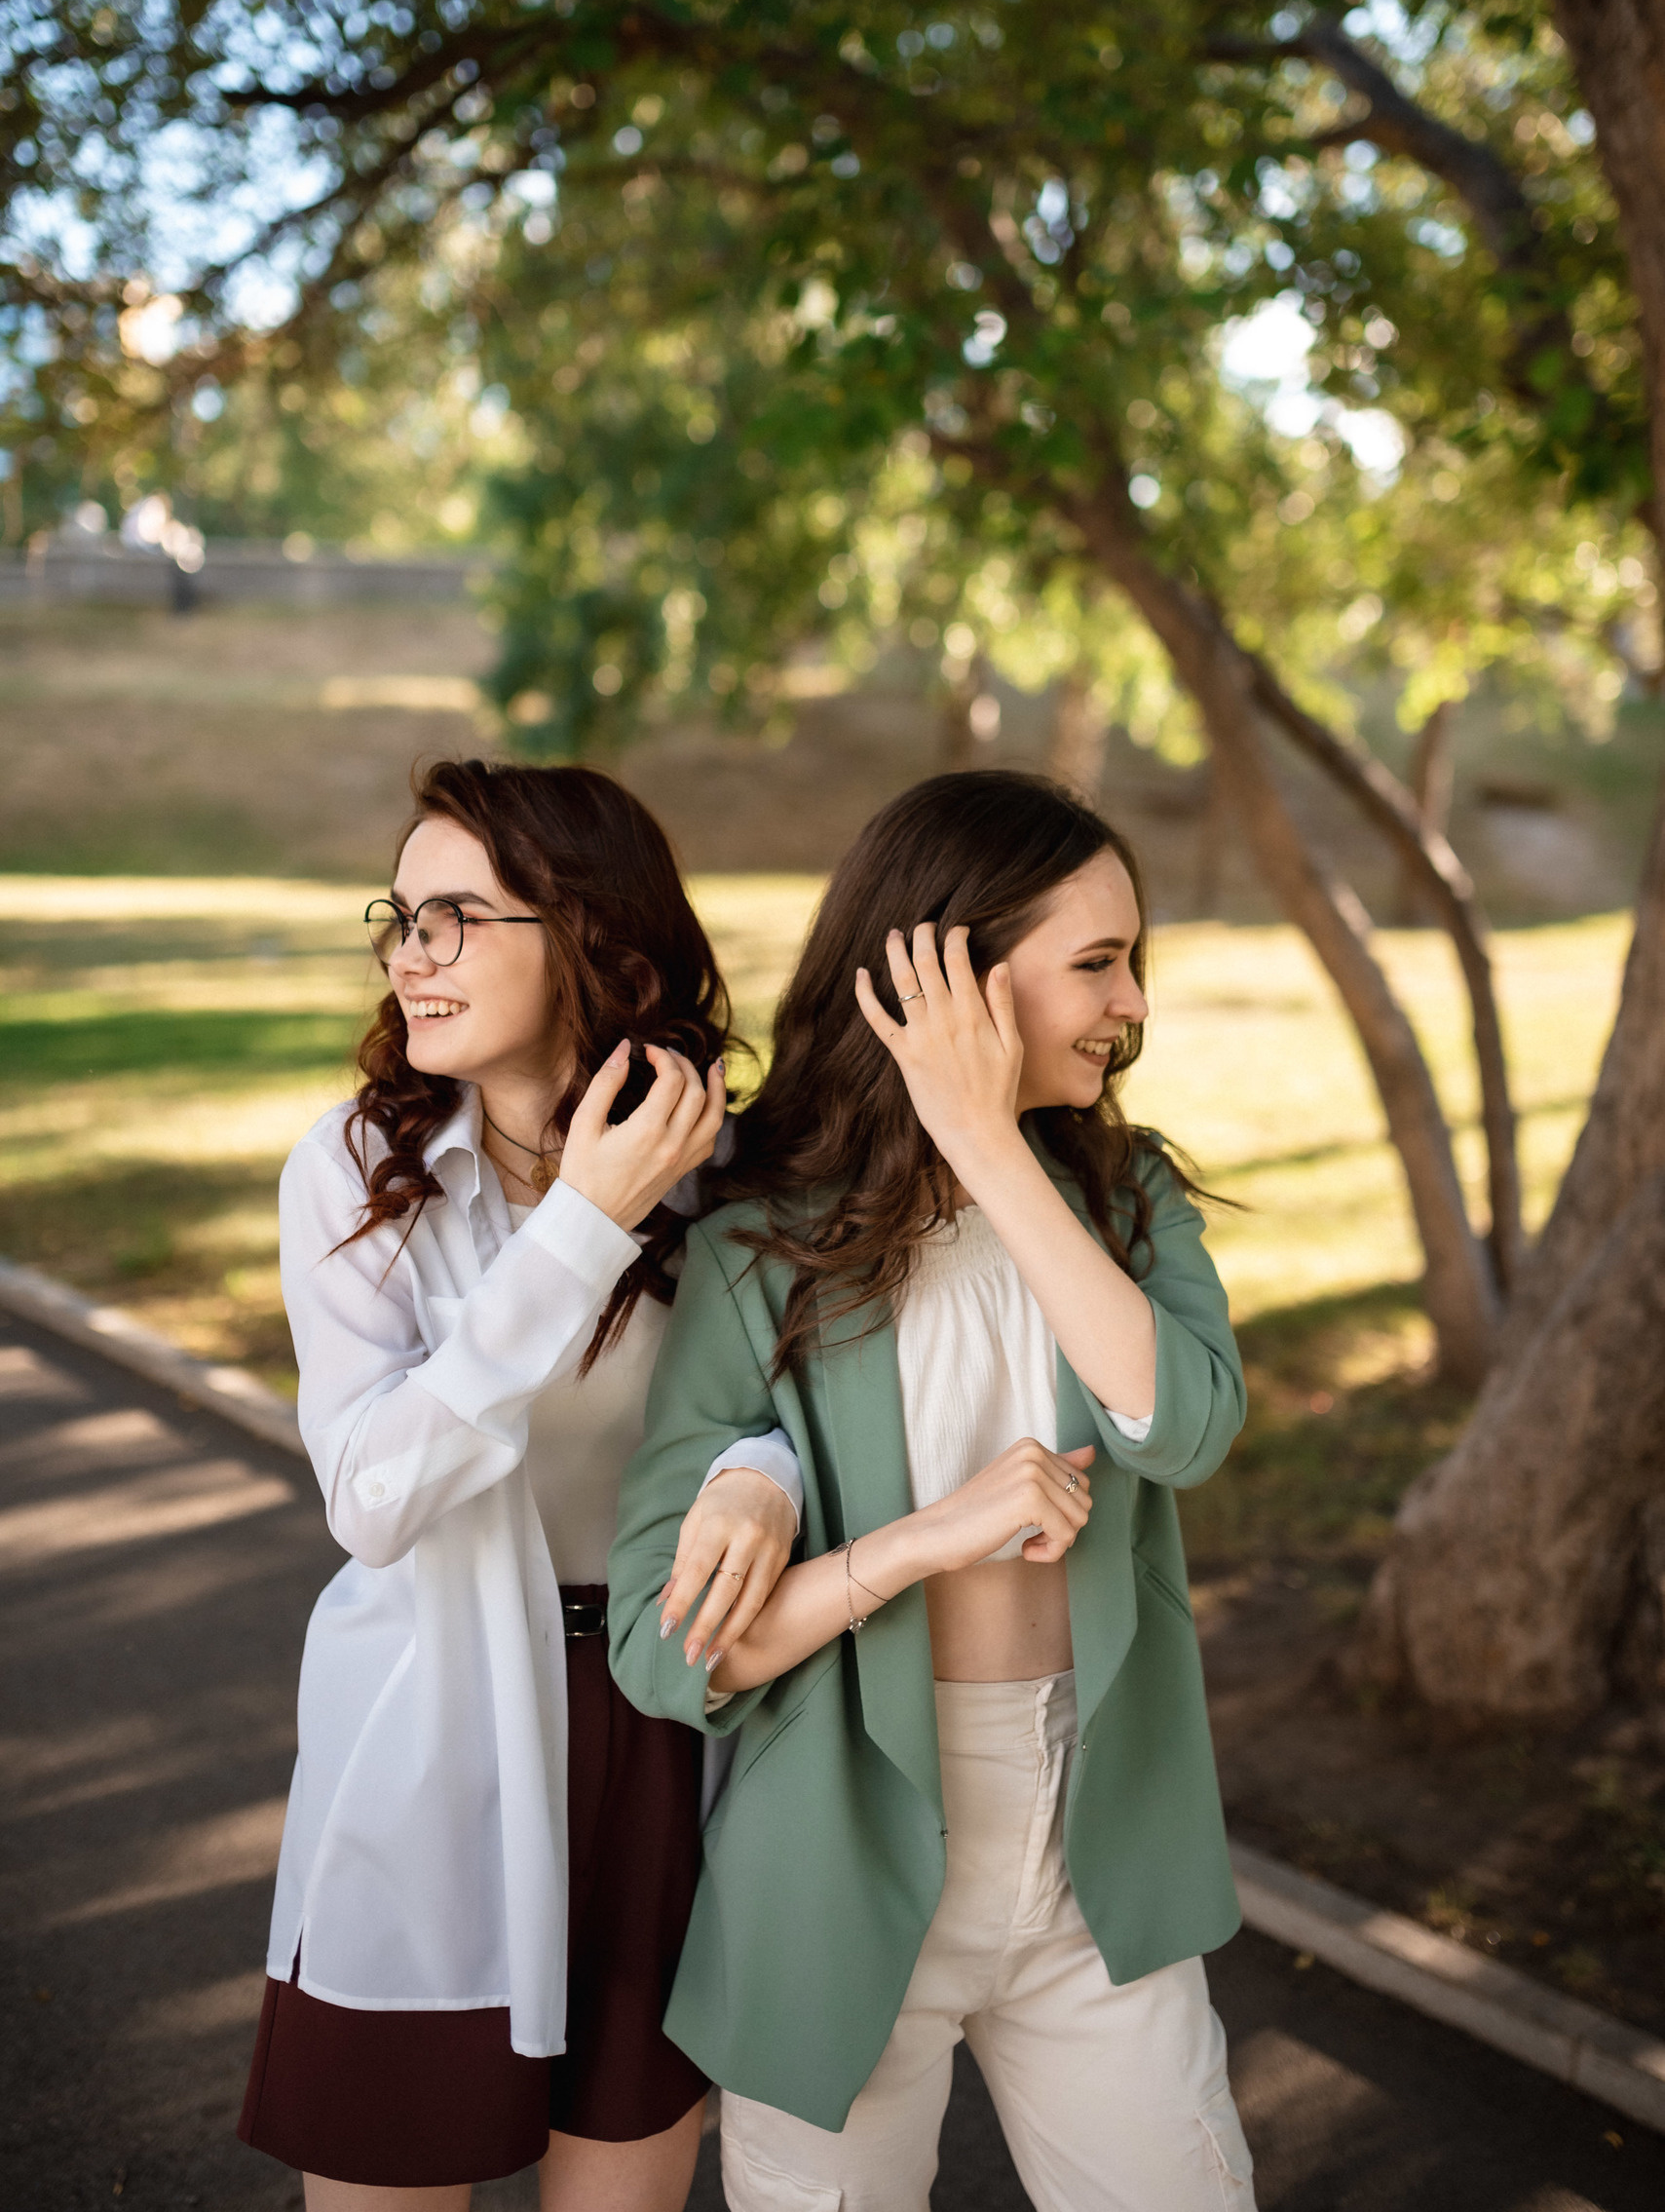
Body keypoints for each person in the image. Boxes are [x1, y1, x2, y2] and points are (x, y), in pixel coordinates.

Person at [609, 769, 1256, 2212]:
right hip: (832, 1869)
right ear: (948, 974)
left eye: (1129, 960)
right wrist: (918, 1542)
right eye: (1097, 962)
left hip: (1100, 1857)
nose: (1132, 1003)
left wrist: (978, 1138)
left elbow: (1181, 1427)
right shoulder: (755, 1248)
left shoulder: (1125, 1201)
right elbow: (667, 1651)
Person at [239, 758, 804, 2212]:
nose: (408, 957)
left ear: (589, 937)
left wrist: (764, 1469)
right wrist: (581, 1228)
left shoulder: (727, 1170)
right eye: (399, 918)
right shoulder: (356, 1169)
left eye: (455, 919)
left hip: (667, 1718)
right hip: (432, 1725)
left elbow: (792, 1408)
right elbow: (372, 1497)